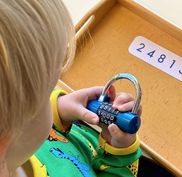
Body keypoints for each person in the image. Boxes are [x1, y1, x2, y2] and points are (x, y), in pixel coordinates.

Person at [0, 1, 142, 177]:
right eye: (49, 91)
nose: (54, 92)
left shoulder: (17, 139)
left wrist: (59, 107)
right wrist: (120, 153)